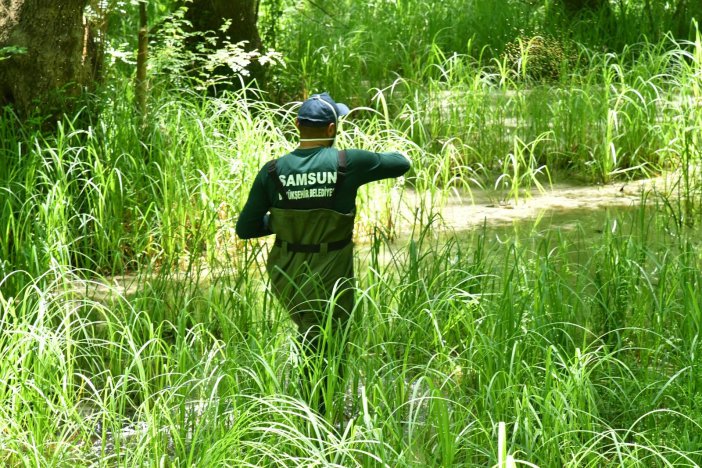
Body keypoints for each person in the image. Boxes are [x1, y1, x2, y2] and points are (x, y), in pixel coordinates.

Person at [235, 92, 410, 415]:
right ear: (331, 129)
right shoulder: (348, 163)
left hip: (286, 272)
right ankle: (317, 416)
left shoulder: (272, 171)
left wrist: (283, 219)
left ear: (298, 125)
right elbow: (401, 163)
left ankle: (309, 410)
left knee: (311, 333)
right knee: (330, 343)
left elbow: (245, 228)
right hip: (331, 270)